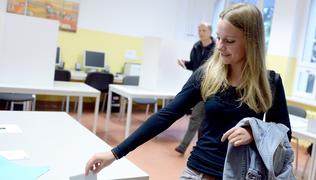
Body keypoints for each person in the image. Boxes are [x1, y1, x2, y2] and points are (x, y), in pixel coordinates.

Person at [85, 3, 292, 179]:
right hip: (198, 171)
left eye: (229, 41)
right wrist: (115, 153)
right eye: (218, 38)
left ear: (251, 41)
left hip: (244, 173)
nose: (220, 46)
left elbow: (284, 132)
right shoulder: (207, 74)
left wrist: (253, 133)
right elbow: (166, 115)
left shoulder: (269, 82)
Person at [175, 22, 216, 155]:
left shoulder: (216, 48)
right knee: (196, 117)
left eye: (203, 30)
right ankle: (185, 146)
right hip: (197, 86)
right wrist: (185, 64)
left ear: (210, 32)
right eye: (199, 30)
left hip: (212, 87)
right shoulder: (196, 46)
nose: (201, 32)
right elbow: (194, 65)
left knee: (205, 119)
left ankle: (196, 147)